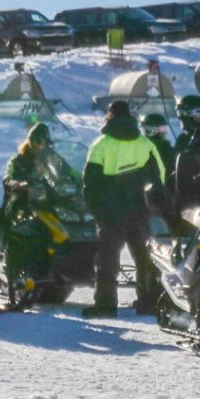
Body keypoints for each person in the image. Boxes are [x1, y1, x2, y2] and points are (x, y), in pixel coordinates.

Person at [82, 99, 166, 317]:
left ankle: (105, 306)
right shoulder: (146, 144)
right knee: (144, 258)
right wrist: (153, 204)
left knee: (108, 259)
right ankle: (149, 302)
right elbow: (160, 175)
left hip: (111, 213)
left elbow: (90, 183)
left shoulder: (101, 145)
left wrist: (96, 209)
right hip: (140, 210)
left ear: (109, 116)